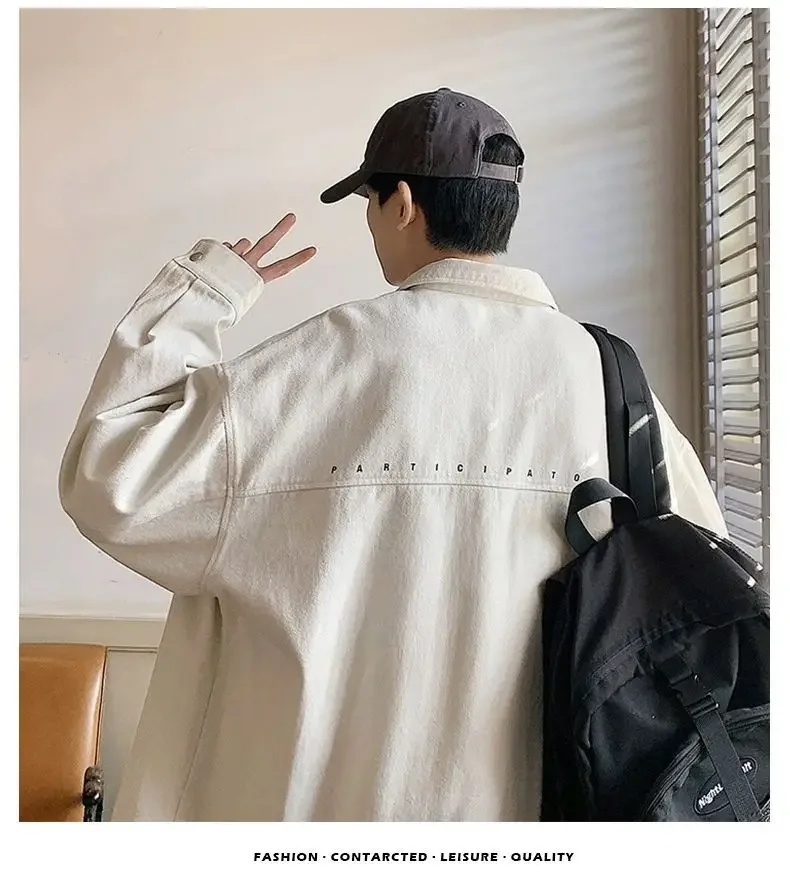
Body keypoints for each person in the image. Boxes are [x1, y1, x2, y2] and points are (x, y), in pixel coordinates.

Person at [60, 88, 726, 821]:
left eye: (369, 202)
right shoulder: (612, 379)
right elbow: (699, 582)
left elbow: (112, 478)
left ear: (402, 203)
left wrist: (201, 295)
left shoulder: (327, 360)